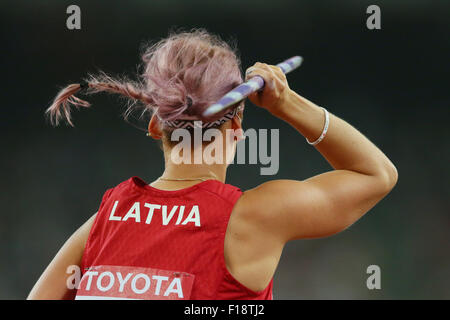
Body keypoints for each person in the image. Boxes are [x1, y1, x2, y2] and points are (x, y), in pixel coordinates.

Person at [28, 29, 397, 300]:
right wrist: (287, 102)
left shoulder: (106, 219)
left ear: (156, 125)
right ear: (236, 125)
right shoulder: (254, 218)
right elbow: (376, 174)